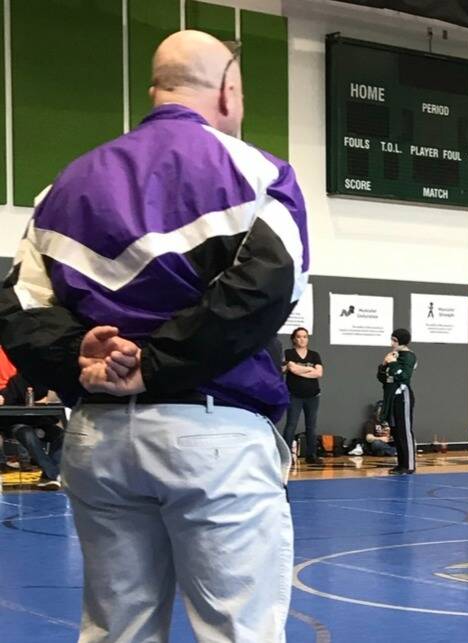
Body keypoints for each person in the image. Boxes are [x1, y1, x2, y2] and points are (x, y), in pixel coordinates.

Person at [0, 31, 308, 641]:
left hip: (99, 436)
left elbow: (18, 305)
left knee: (117, 630)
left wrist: (76, 359)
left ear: (155, 88)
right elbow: (264, 293)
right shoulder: (259, 175)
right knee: (239, 631)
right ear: (227, 89)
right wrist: (158, 364)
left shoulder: (59, 189)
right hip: (213, 433)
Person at [0, 373, 64, 489]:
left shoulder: (50, 382)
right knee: (27, 433)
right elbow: (7, 397)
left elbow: (55, 404)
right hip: (17, 424)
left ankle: (50, 474)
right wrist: (2, 398)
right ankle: (53, 475)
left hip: (41, 423)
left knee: (60, 435)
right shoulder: (18, 380)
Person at [378, 328, 418, 475]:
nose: (392, 343)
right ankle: (401, 464)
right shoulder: (393, 355)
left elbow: (404, 376)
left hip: (403, 396)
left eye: (394, 340)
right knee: (396, 431)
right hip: (391, 397)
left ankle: (409, 465)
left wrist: (393, 363)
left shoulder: (408, 356)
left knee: (405, 430)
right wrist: (383, 365)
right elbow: (383, 377)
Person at [282, 327, 323, 464]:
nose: (302, 339)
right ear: (294, 339)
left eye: (305, 336)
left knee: (311, 426)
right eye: (299, 336)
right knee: (291, 425)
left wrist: (298, 369)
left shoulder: (314, 355)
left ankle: (311, 455)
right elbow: (289, 369)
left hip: (313, 395)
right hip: (294, 395)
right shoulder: (288, 353)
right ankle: (286, 455)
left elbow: (319, 373)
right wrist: (309, 369)